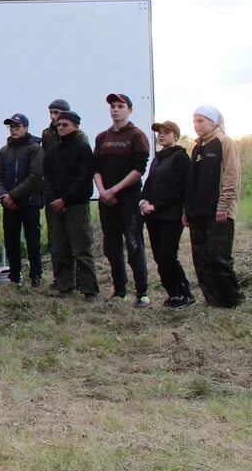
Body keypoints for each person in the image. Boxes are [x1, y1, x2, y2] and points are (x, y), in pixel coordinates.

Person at [94, 93, 151, 307]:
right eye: (112, 106)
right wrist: (103, 191)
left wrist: (115, 190)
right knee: (111, 247)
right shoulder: (102, 137)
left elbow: (139, 169)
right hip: (106, 200)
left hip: (129, 199)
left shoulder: (137, 135)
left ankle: (142, 293)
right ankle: (120, 291)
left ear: (130, 110)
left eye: (120, 106)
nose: (115, 110)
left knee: (134, 244)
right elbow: (96, 168)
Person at [184, 105, 243, 308]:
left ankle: (233, 300)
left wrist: (224, 206)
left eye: (200, 120)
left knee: (219, 258)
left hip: (218, 212)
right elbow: (191, 181)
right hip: (197, 212)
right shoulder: (197, 147)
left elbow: (231, 176)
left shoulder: (224, 143)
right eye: (194, 121)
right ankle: (214, 301)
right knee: (201, 259)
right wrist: (187, 210)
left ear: (214, 122)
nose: (196, 125)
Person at [43, 110, 99, 298]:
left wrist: (65, 199)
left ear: (75, 126)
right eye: (58, 125)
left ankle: (89, 289)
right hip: (55, 207)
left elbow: (83, 179)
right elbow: (47, 179)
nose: (60, 128)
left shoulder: (83, 149)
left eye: (65, 125)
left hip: (76, 205)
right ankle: (64, 286)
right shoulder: (52, 152)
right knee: (59, 248)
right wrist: (53, 200)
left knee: (81, 248)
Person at [139, 120, 194, 309]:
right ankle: (172, 295)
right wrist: (143, 200)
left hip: (170, 216)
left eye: (166, 132)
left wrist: (156, 206)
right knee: (159, 257)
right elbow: (149, 183)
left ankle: (183, 295)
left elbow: (177, 189)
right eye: (159, 132)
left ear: (176, 136)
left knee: (168, 256)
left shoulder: (181, 158)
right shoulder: (158, 158)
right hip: (154, 216)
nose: (161, 135)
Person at [0, 114, 45, 288]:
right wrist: (4, 196)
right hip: (9, 204)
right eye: (11, 126)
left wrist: (13, 196)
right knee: (11, 241)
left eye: (17, 126)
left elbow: (35, 177)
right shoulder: (4, 151)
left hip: (29, 202)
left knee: (32, 240)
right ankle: (14, 276)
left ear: (26, 128)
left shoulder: (34, 148)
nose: (14, 129)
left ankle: (35, 276)